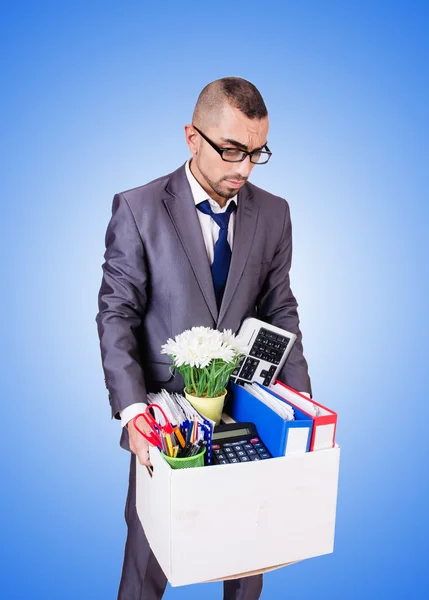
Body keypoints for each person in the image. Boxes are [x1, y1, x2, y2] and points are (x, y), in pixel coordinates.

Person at [96, 76, 312, 600]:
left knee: (247, 551)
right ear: (192, 137)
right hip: (164, 420)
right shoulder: (138, 208)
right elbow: (116, 313)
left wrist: (301, 399)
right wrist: (132, 412)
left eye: (257, 154)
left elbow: (279, 306)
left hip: (246, 408)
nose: (242, 168)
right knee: (149, 562)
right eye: (232, 150)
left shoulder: (275, 212)